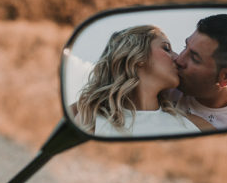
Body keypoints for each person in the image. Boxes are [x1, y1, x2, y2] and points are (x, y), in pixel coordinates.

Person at [75, 25, 213, 136]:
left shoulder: (198, 126)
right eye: (166, 48)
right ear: (138, 57)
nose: (177, 57)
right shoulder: (91, 120)